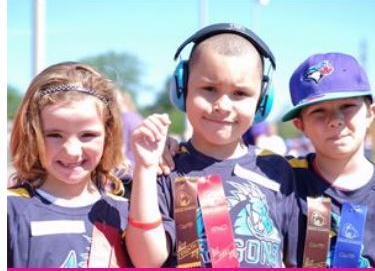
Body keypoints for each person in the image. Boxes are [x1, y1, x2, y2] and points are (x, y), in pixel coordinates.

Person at [126, 23, 299, 267]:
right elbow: (146, 261)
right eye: (209, 89)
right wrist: (144, 168)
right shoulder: (164, 169)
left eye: (240, 93)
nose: (223, 106)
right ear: (182, 89)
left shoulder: (277, 170)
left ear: (262, 100)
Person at [7, 62, 130, 267]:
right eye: (54, 135)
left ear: (108, 135)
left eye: (87, 135)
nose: (72, 151)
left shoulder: (126, 212)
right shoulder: (10, 210)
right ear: (31, 134)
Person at [281, 52, 375, 267]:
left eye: (347, 106)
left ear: (370, 114)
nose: (334, 120)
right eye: (319, 111)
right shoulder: (283, 179)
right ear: (300, 125)